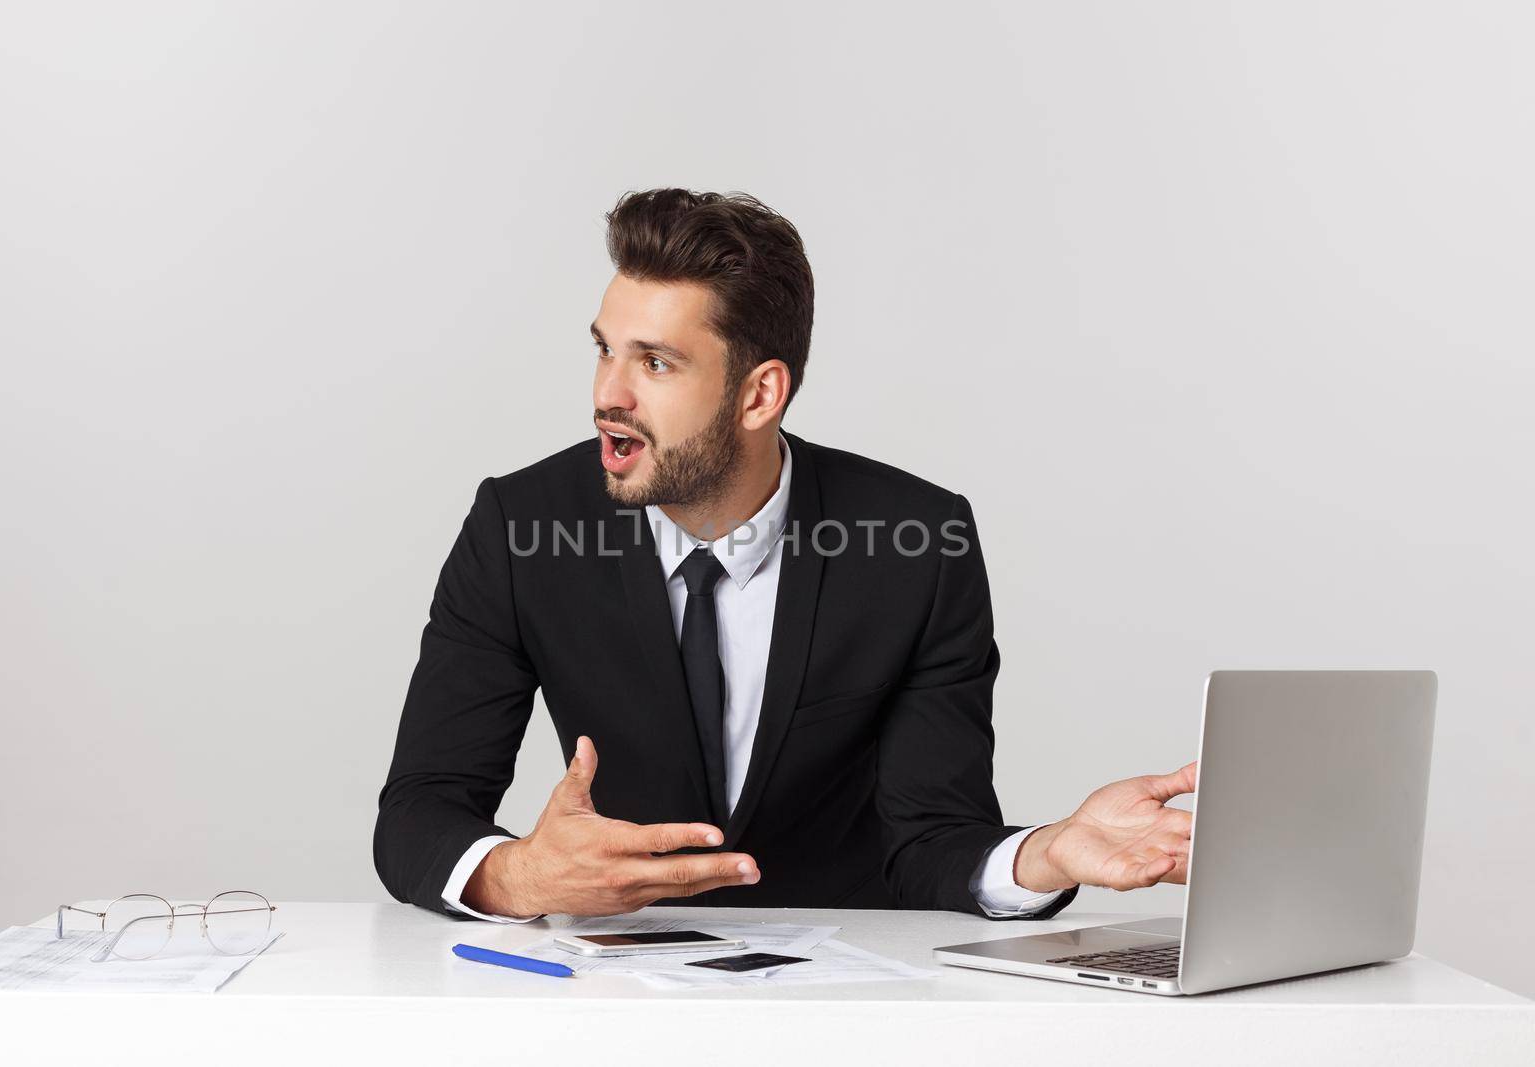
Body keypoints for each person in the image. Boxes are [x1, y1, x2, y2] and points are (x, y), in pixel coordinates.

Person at [374, 188, 1194, 923]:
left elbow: (933, 839)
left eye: (654, 362)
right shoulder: (519, 527)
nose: (607, 394)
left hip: (846, 1007)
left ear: (759, 393)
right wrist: (522, 876)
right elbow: (418, 812)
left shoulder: (920, 543)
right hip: (612, 1004)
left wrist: (1043, 853)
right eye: (605, 349)